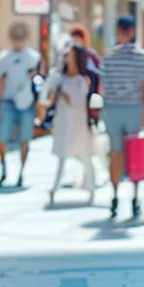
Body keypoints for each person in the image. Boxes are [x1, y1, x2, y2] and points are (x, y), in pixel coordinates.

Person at [100, 16, 144, 220]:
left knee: (115, 153)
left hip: (112, 107)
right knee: (135, 154)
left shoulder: (108, 58)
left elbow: (102, 87)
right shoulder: (143, 57)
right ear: (133, 31)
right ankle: (135, 196)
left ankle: (114, 196)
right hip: (133, 107)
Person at [44, 46, 98, 205]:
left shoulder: (82, 80)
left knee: (86, 158)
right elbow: (48, 96)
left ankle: (91, 189)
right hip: (63, 122)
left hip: (78, 124)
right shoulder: (60, 78)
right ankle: (54, 188)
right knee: (62, 157)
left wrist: (67, 96)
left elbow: (80, 101)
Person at [0, 24, 41, 188]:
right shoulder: (4, 57)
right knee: (2, 137)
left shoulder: (33, 57)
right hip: (7, 101)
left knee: (25, 138)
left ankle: (22, 171)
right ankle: (4, 167)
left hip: (26, 103)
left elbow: (39, 82)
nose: (18, 42)